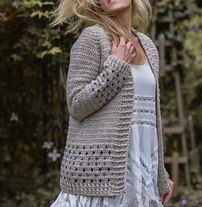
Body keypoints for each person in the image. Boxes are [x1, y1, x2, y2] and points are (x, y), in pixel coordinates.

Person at [49, 0, 174, 206]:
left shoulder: (147, 45)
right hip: (103, 172)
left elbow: (149, 117)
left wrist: (160, 175)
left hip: (142, 174)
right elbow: (76, 105)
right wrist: (117, 65)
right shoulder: (93, 38)